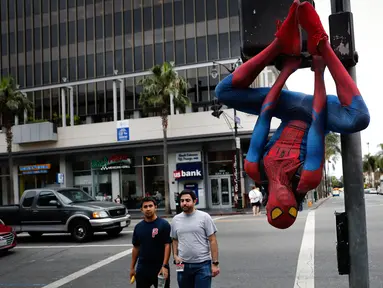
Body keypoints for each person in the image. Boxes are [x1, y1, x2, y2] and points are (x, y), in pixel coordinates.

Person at [215, 0, 370, 230]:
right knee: (359, 119)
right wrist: (319, 70)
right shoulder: (307, 177)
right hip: (319, 109)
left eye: (277, 211)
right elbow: (317, 122)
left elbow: (266, 114)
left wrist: (285, 70)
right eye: (291, 211)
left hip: (285, 107)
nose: (285, 206)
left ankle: (280, 42)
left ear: (267, 206)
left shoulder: (255, 169)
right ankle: (321, 40)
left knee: (223, 91)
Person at [171, 190, 220, 288]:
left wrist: (215, 263)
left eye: (187, 200)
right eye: (182, 200)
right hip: (183, 265)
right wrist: (175, 256)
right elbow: (175, 240)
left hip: (203, 264)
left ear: (195, 201)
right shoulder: (176, 219)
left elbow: (212, 240)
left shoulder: (204, 217)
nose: (184, 203)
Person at [130, 197, 172, 288]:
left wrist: (164, 265)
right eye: (145, 207)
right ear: (141, 209)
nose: (148, 209)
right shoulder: (138, 227)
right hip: (143, 268)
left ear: (155, 207)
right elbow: (136, 247)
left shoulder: (164, 225)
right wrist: (132, 268)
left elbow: (167, 245)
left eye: (150, 206)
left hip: (160, 267)